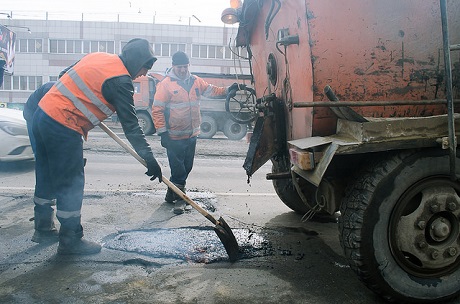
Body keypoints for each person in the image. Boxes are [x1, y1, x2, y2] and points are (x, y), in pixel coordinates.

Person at [32, 38, 162, 255]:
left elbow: (64, 75)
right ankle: (70, 241)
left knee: (46, 173)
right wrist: (150, 159)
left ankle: (43, 227)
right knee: (71, 183)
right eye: (145, 67)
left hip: (42, 114)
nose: (144, 73)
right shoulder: (121, 81)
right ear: (135, 60)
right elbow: (131, 127)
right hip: (64, 124)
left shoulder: (100, 57)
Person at [152, 51, 244, 215]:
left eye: (185, 66)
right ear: (174, 66)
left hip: (191, 135)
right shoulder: (165, 85)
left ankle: (171, 193)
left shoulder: (195, 81)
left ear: (188, 66)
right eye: (179, 67)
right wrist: (162, 133)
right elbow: (157, 110)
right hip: (173, 137)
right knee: (178, 170)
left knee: (187, 167)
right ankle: (181, 199)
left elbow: (211, 90)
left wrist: (228, 89)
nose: (182, 70)